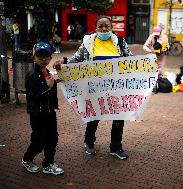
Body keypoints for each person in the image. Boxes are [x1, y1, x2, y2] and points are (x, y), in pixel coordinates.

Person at [53, 15, 133, 160]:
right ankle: (89, 142)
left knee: (119, 119)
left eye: (106, 26)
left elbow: (131, 61)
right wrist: (63, 62)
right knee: (94, 116)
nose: (103, 29)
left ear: (111, 28)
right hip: (95, 88)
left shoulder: (120, 42)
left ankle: (116, 147)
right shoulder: (88, 43)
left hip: (116, 88)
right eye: (100, 26)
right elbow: (76, 59)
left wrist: (149, 68)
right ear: (95, 28)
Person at [22, 42, 64, 175]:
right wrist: (48, 87)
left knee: (52, 139)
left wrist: (55, 81)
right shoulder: (32, 75)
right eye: (40, 57)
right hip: (37, 115)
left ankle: (48, 164)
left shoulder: (47, 72)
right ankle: (27, 159)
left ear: (50, 58)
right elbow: (32, 96)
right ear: (34, 58)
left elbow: (50, 87)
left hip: (50, 112)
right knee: (38, 141)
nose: (43, 59)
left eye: (46, 57)